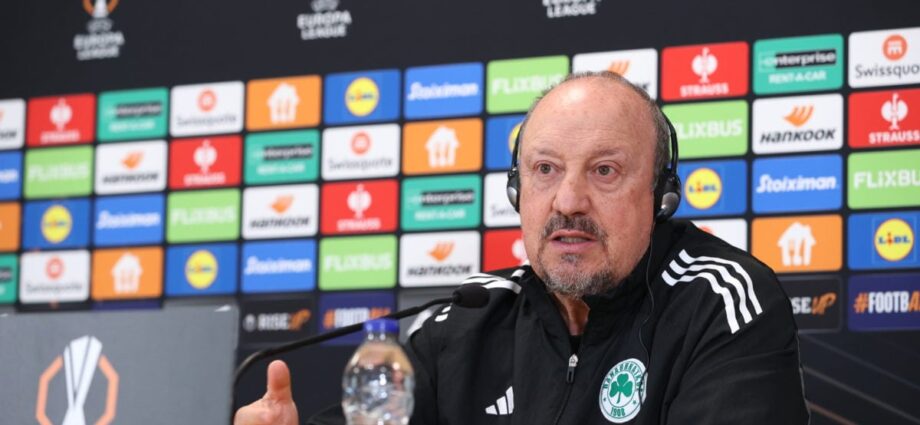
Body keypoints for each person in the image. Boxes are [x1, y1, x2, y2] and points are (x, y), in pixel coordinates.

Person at [235, 71, 810, 424]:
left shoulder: (723, 305)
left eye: (604, 171)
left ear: (661, 196)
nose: (568, 200)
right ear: (517, 191)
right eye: (545, 170)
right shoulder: (466, 320)